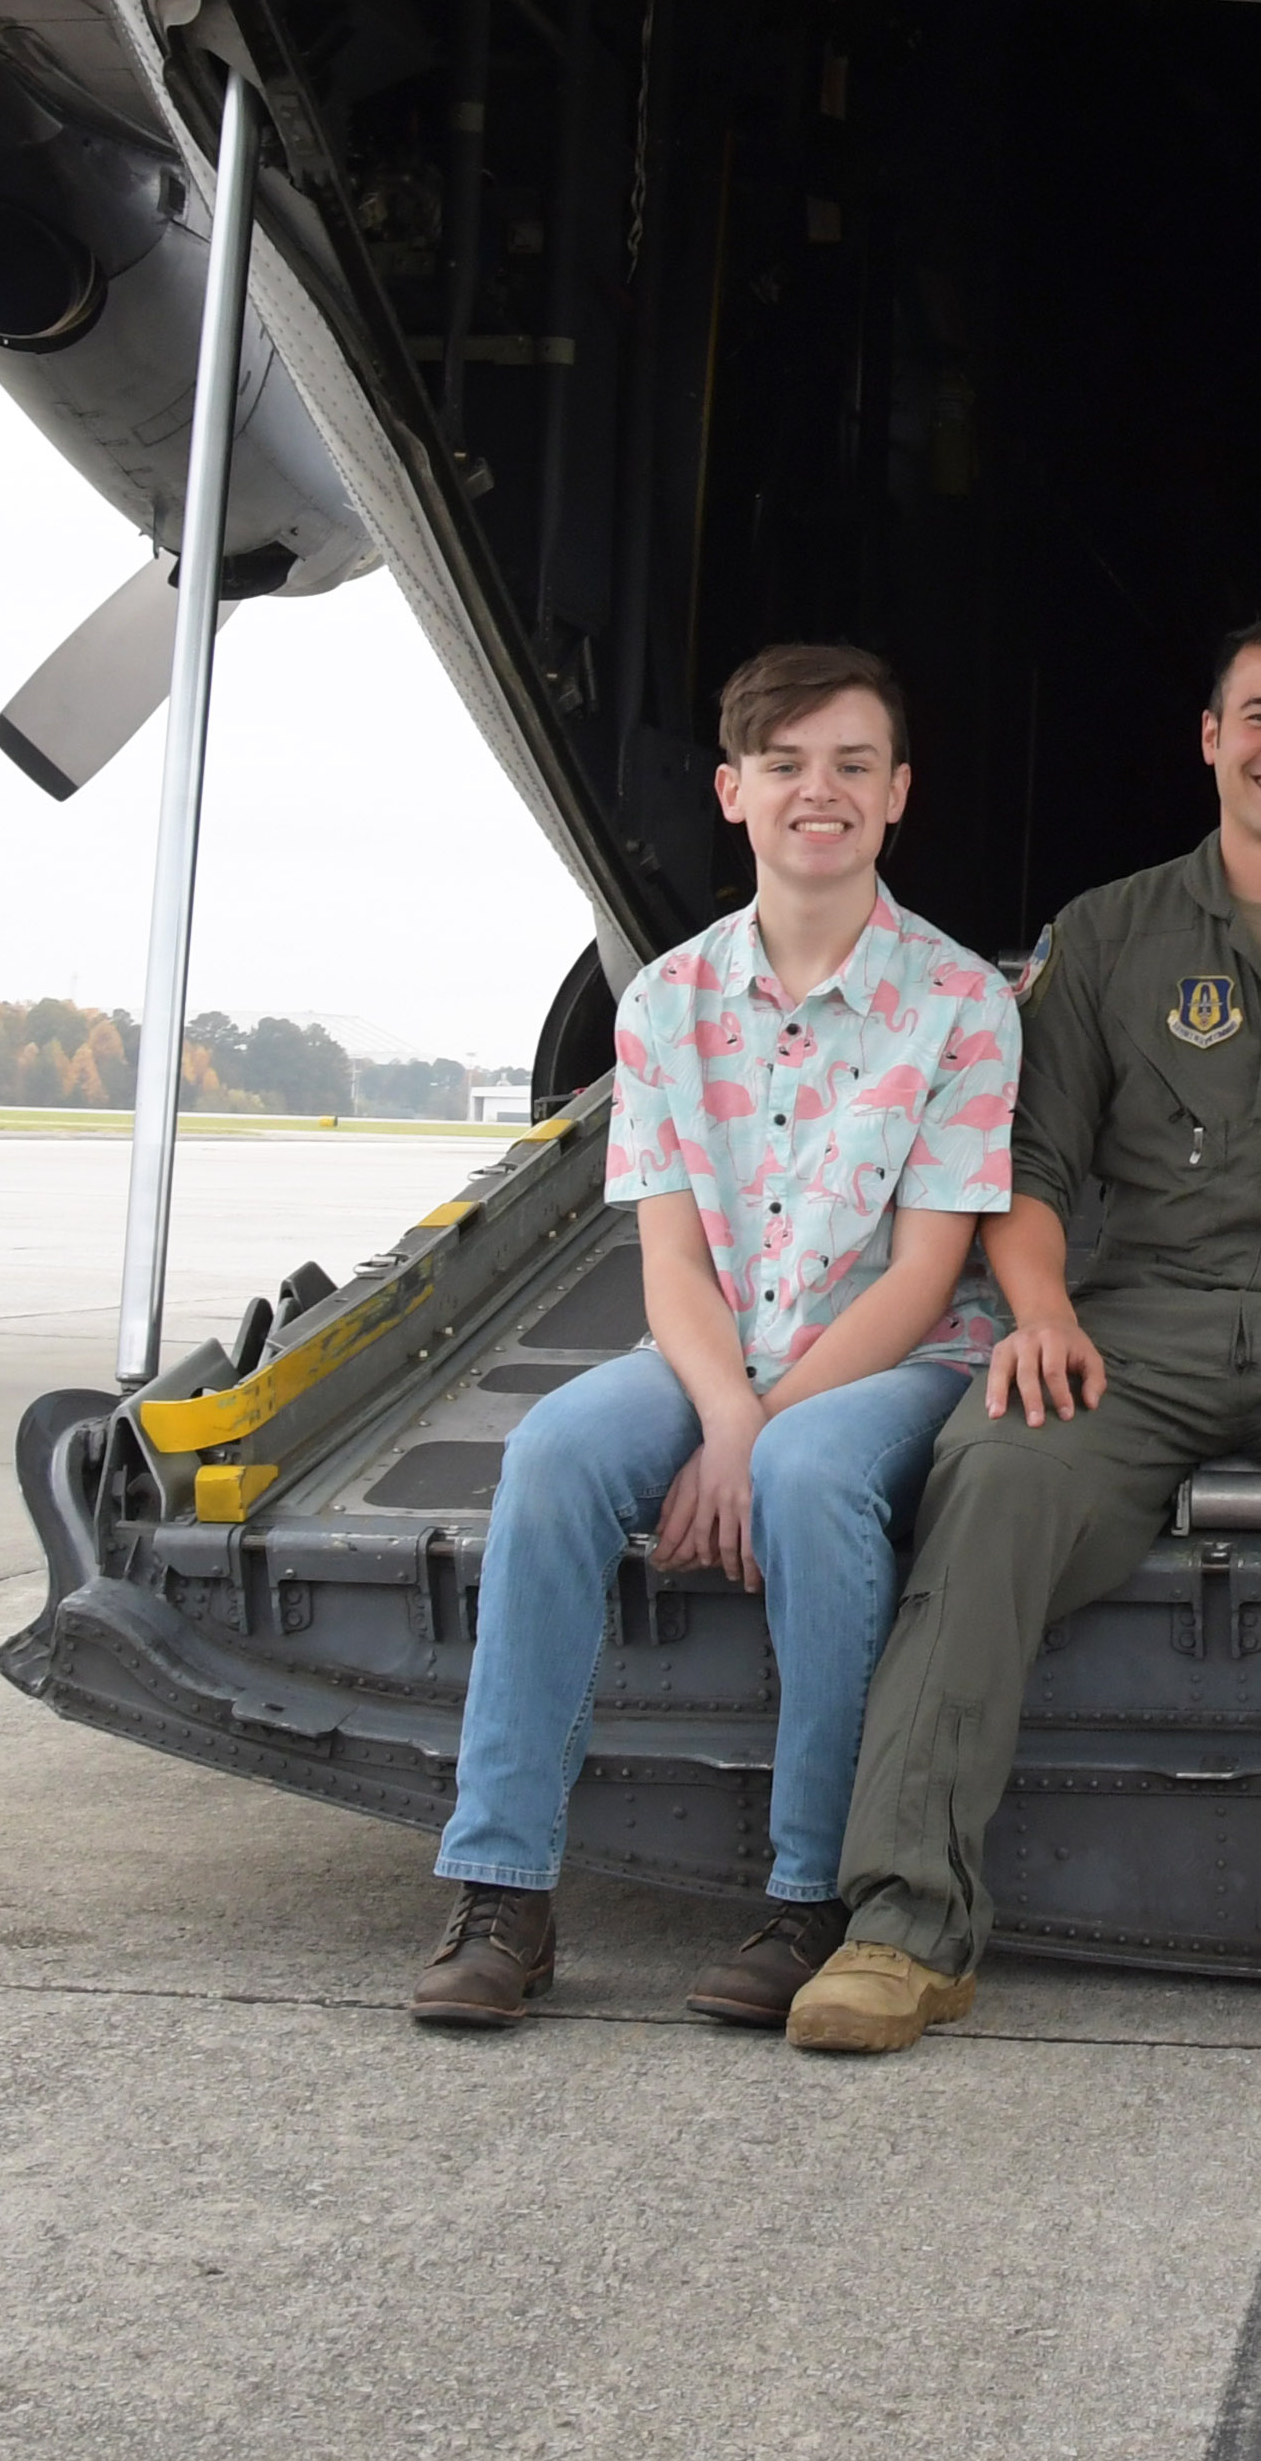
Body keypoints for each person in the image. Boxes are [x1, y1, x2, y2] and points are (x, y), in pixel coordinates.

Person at [790, 609, 1261, 2055]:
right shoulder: (1107, 934)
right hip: (1130, 1330)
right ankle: (903, 1930)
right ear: (1210, 739)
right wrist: (1036, 1312)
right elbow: (1020, 1171)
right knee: (999, 1477)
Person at [410, 643, 1019, 2035]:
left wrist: (769, 1425)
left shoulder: (963, 1005)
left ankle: (812, 1895)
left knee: (810, 1477)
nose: (824, 792)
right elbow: (671, 1262)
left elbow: (926, 1274)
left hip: (895, 1361)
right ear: (734, 792)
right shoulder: (667, 1003)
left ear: (899, 793)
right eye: (790, 766)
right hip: (722, 1349)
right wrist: (726, 1417)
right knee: (559, 1452)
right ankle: (503, 1886)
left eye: (855, 766)